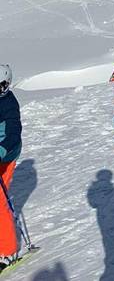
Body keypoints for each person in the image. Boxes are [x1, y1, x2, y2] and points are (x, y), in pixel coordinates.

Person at [0, 65, 21, 271]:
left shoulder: (9, 105)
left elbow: (13, 136)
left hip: (6, 155)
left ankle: (7, 251)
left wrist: (0, 151)